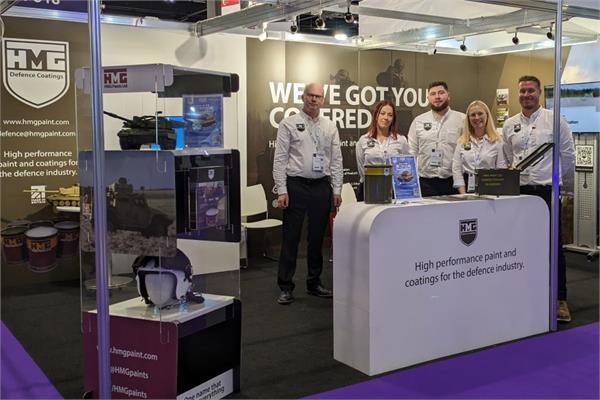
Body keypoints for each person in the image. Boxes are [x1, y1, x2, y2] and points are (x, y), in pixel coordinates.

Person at [503, 75, 575, 322]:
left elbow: (568, 157)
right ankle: (524, 294)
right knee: (520, 245)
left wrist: (556, 184)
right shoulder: (509, 124)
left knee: (553, 246)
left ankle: (560, 299)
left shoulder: (555, 120)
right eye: (522, 91)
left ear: (539, 93)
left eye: (531, 91)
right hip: (519, 193)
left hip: (546, 192)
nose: (526, 95)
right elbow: (507, 157)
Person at [272, 82, 343, 305]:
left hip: (321, 186)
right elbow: (280, 159)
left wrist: (337, 189)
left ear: (323, 100)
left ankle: (314, 282)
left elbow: (337, 159)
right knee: (291, 237)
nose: (314, 100)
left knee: (316, 238)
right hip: (296, 186)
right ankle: (286, 286)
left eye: (318, 96)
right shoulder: (289, 124)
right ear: (303, 97)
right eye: (310, 95)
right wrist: (282, 189)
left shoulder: (330, 126)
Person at [408, 81, 465, 196]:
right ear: (428, 98)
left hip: (453, 182)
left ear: (448, 95)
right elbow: (412, 152)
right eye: (433, 94)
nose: (437, 97)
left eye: (441, 93)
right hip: (425, 182)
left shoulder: (462, 119)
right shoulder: (418, 121)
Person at [356, 100, 409, 200]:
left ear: (393, 119)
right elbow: (361, 168)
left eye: (390, 115)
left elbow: (406, 165)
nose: (386, 118)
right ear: (376, 116)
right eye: (382, 113)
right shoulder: (363, 140)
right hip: (369, 189)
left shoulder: (401, 140)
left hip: (393, 191)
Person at [452, 100, 506, 194]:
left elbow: (501, 169)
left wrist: (495, 192)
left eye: (480, 113)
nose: (476, 117)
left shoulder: (497, 141)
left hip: (490, 188)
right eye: (472, 115)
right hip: (466, 188)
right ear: (468, 119)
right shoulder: (462, 141)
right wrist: (463, 195)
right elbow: (456, 169)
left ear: (487, 115)